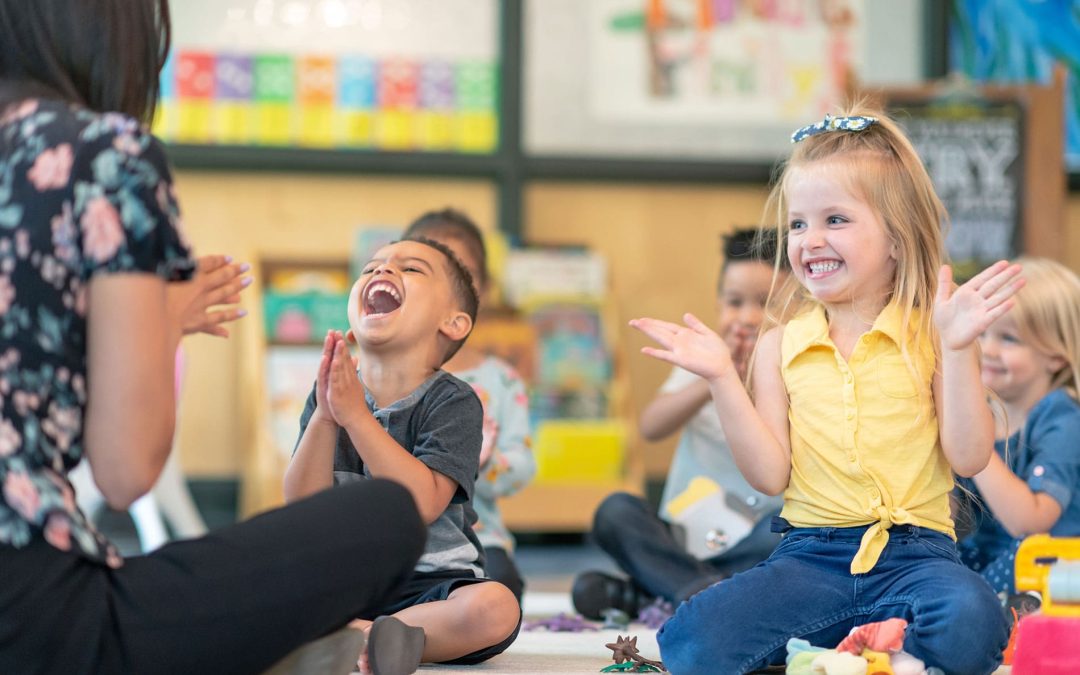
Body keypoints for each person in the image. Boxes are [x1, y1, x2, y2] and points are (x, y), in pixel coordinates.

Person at [0, 3, 428, 673]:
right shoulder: (105, 153)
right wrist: (164, 318)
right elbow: (124, 473)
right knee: (386, 516)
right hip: (36, 614)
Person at [631, 105, 1018, 674]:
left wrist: (958, 348)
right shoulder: (776, 346)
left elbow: (969, 454)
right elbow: (769, 475)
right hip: (810, 557)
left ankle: (844, 651)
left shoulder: (937, 333)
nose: (810, 239)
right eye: (797, 223)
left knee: (973, 618)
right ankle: (867, 650)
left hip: (917, 556)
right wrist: (719, 377)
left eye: (835, 220)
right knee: (690, 641)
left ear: (896, 237)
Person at [283, 236, 522, 674]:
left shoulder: (454, 401)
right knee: (257, 585)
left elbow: (421, 504)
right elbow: (302, 507)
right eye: (371, 266)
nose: (382, 270)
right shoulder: (330, 395)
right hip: (342, 583)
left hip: (431, 585)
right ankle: (373, 635)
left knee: (496, 606)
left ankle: (377, 634)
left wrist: (356, 418)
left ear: (453, 322)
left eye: (411, 268)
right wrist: (325, 417)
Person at [571, 227, 784, 619]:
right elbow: (651, 427)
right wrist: (716, 378)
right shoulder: (704, 360)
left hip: (759, 536)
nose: (748, 317)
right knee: (615, 512)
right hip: (686, 534)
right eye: (735, 302)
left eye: (766, 304)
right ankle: (702, 589)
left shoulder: (797, 368)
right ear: (718, 302)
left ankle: (657, 592)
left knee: (798, 539)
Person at [402, 208, 536, 604]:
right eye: (423, 272)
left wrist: (481, 462)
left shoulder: (501, 379)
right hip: (396, 538)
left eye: (461, 274)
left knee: (498, 591)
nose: (445, 289)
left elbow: (523, 466)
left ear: (484, 290)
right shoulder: (380, 374)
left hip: (478, 538)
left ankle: (419, 624)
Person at [956, 257, 1080, 596]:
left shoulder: (1062, 417)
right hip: (986, 556)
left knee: (1011, 565)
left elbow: (1031, 522)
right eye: (982, 332)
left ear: (1056, 355)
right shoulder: (984, 408)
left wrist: (974, 444)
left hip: (1054, 564)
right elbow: (955, 515)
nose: (988, 349)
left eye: (1009, 339)